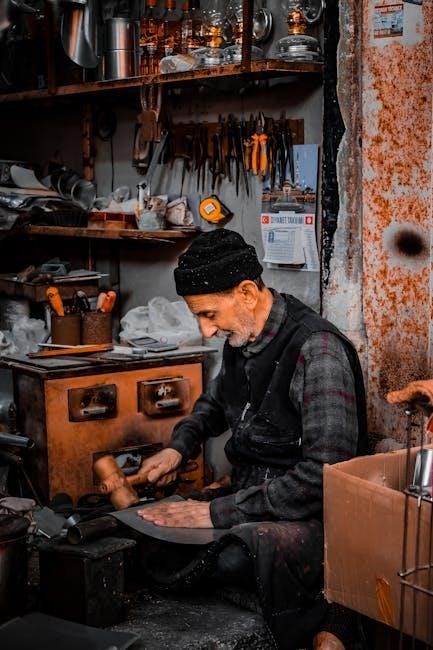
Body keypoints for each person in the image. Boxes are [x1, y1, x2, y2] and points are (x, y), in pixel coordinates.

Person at [137, 228, 368, 650]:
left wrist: (216, 513)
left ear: (246, 292)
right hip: (249, 501)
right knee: (148, 530)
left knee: (232, 556)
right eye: (199, 317)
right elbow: (214, 403)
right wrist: (177, 447)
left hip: (309, 519)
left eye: (209, 314)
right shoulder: (241, 338)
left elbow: (325, 476)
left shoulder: (317, 350)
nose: (206, 330)